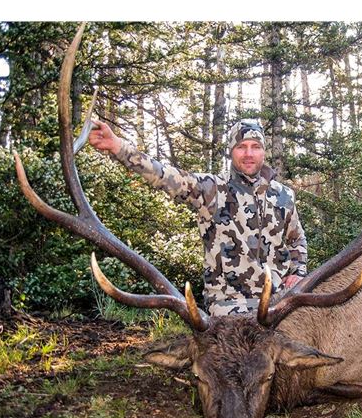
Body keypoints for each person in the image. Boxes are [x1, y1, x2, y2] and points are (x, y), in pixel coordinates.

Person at [88, 119, 307, 316]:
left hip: (277, 304)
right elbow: (163, 175)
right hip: (228, 307)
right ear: (232, 151)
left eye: (255, 147)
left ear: (263, 152)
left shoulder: (284, 195)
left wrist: (298, 272)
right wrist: (118, 146)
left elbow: (297, 239)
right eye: (241, 147)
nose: (249, 153)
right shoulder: (212, 190)